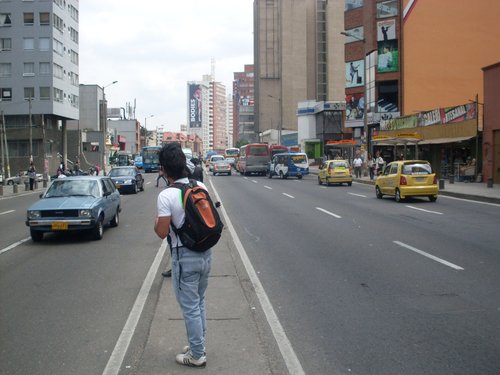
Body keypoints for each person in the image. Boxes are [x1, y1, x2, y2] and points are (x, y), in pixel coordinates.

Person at [154, 142, 211, 368]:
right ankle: (198, 343)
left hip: (184, 257)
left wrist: (156, 221)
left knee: (190, 307)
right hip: (206, 254)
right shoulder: (200, 187)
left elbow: (161, 232)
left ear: (164, 169)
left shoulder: (167, 195)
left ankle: (197, 355)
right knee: (199, 302)